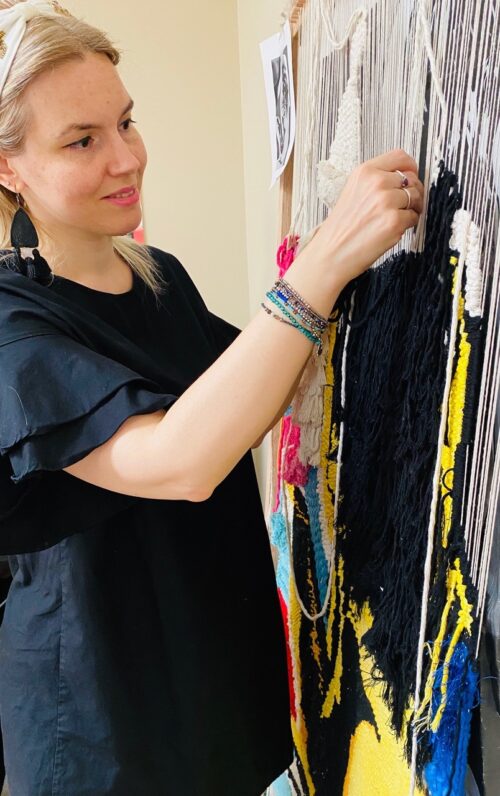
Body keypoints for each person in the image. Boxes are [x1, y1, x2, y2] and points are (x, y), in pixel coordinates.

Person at [0, 1, 424, 794]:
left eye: (126, 122)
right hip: (105, 731)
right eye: (82, 142)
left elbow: (258, 389)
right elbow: (181, 459)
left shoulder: (157, 277)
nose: (127, 159)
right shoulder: (10, 327)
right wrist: (320, 263)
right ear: (8, 168)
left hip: (215, 685)